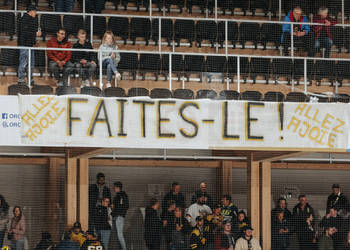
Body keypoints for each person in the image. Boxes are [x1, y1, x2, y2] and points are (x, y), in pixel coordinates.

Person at [17, 5, 41, 85]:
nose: (36, 13)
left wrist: (34, 42)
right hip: (24, 45)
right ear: (31, 11)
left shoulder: (33, 20)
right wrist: (35, 34)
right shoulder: (23, 19)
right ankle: (20, 79)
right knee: (23, 62)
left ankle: (30, 79)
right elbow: (24, 33)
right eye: (35, 11)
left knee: (31, 63)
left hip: (30, 45)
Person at [111, 181, 128, 250]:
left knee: (119, 235)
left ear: (118, 187)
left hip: (119, 217)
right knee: (117, 236)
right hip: (115, 216)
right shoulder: (117, 196)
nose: (113, 188)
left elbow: (125, 206)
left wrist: (118, 212)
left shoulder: (122, 195)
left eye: (114, 187)